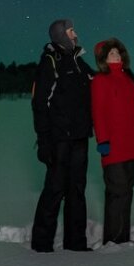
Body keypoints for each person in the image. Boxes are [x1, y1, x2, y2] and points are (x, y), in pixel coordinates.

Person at [30, 18, 94, 253]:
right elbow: (40, 103)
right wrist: (44, 141)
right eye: (71, 31)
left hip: (79, 137)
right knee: (55, 189)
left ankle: (76, 243)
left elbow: (96, 85)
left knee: (77, 190)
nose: (75, 34)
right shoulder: (50, 61)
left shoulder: (78, 61)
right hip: (59, 140)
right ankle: (41, 244)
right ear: (61, 35)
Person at [90, 37, 134, 246]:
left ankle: (123, 238)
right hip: (114, 146)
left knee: (127, 192)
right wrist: (103, 139)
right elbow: (98, 112)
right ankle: (113, 241)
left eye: (118, 53)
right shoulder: (100, 81)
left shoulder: (128, 80)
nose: (116, 56)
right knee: (117, 192)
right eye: (111, 53)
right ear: (103, 58)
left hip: (131, 143)